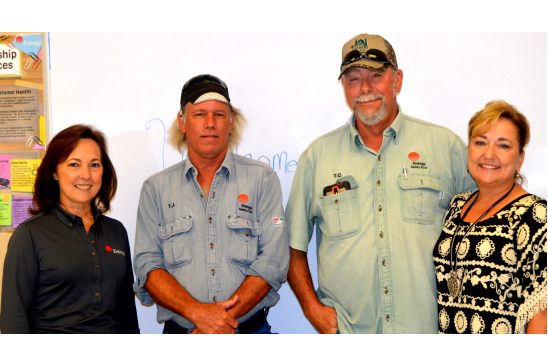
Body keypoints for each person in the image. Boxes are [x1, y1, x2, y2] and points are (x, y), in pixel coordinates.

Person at [285, 33, 477, 334]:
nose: (365, 88)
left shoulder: (446, 148)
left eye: (376, 75)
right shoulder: (316, 157)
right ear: (343, 87)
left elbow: (483, 234)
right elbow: (292, 247)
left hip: (429, 331)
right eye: (353, 78)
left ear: (397, 80)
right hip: (349, 333)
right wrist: (313, 310)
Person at [133, 74, 289, 334]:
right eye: (199, 114)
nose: (210, 124)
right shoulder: (155, 189)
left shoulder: (262, 179)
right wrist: (198, 314)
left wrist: (218, 321)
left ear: (231, 122)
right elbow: (147, 265)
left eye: (219, 114)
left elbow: (274, 260)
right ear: (182, 122)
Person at [1, 125, 139, 334]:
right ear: (54, 172)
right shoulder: (30, 234)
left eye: (94, 165)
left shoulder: (116, 232)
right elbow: (14, 319)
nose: (86, 175)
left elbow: (126, 311)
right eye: (74, 164)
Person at [433, 100, 546, 334]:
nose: (489, 154)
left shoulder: (534, 214)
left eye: (503, 146)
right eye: (480, 142)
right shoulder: (457, 205)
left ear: (519, 159)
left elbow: (541, 313)